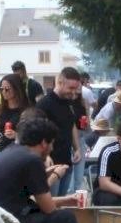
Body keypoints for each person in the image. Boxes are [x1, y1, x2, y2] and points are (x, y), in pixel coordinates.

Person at [36, 67, 86, 196]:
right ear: (60, 82)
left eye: (76, 88)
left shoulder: (69, 102)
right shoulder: (44, 104)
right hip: (51, 164)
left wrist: (77, 148)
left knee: (62, 200)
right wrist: (45, 156)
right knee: (53, 202)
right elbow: (37, 134)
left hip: (66, 162)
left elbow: (71, 125)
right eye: (71, 88)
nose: (74, 92)